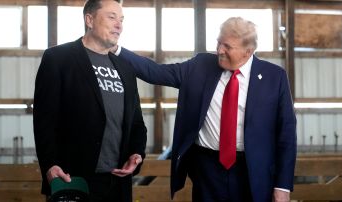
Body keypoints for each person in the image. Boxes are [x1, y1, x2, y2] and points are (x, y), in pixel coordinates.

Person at [115, 17, 297, 201]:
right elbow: (155, 72)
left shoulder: (275, 78)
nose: (219, 50)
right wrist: (116, 49)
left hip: (253, 171)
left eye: (227, 46)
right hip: (207, 170)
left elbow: (287, 135)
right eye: (218, 43)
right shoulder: (200, 66)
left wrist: (282, 186)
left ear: (248, 51)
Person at [33, 0, 147, 201]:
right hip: (72, 179)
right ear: (89, 19)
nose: (119, 25)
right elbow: (44, 119)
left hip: (117, 182)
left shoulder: (126, 68)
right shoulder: (58, 58)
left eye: (121, 19)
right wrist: (49, 164)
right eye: (112, 17)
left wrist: (137, 154)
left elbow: (136, 122)